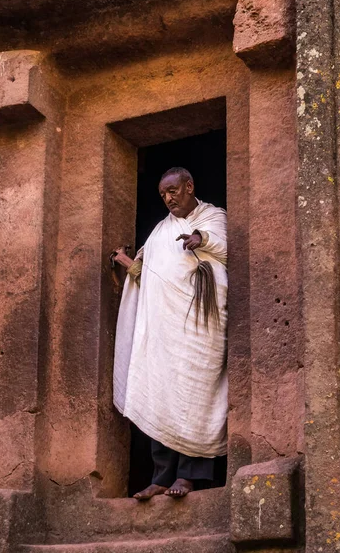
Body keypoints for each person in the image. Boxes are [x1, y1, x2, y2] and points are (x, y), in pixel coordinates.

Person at [112, 167, 228, 500]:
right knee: (159, 390)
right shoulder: (160, 231)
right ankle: (161, 476)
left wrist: (200, 240)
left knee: (197, 390)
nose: (168, 199)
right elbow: (150, 274)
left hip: (201, 325)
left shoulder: (213, 217)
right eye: (163, 195)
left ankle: (190, 475)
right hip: (163, 326)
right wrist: (129, 265)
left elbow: (228, 248)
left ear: (190, 186)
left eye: (173, 191)